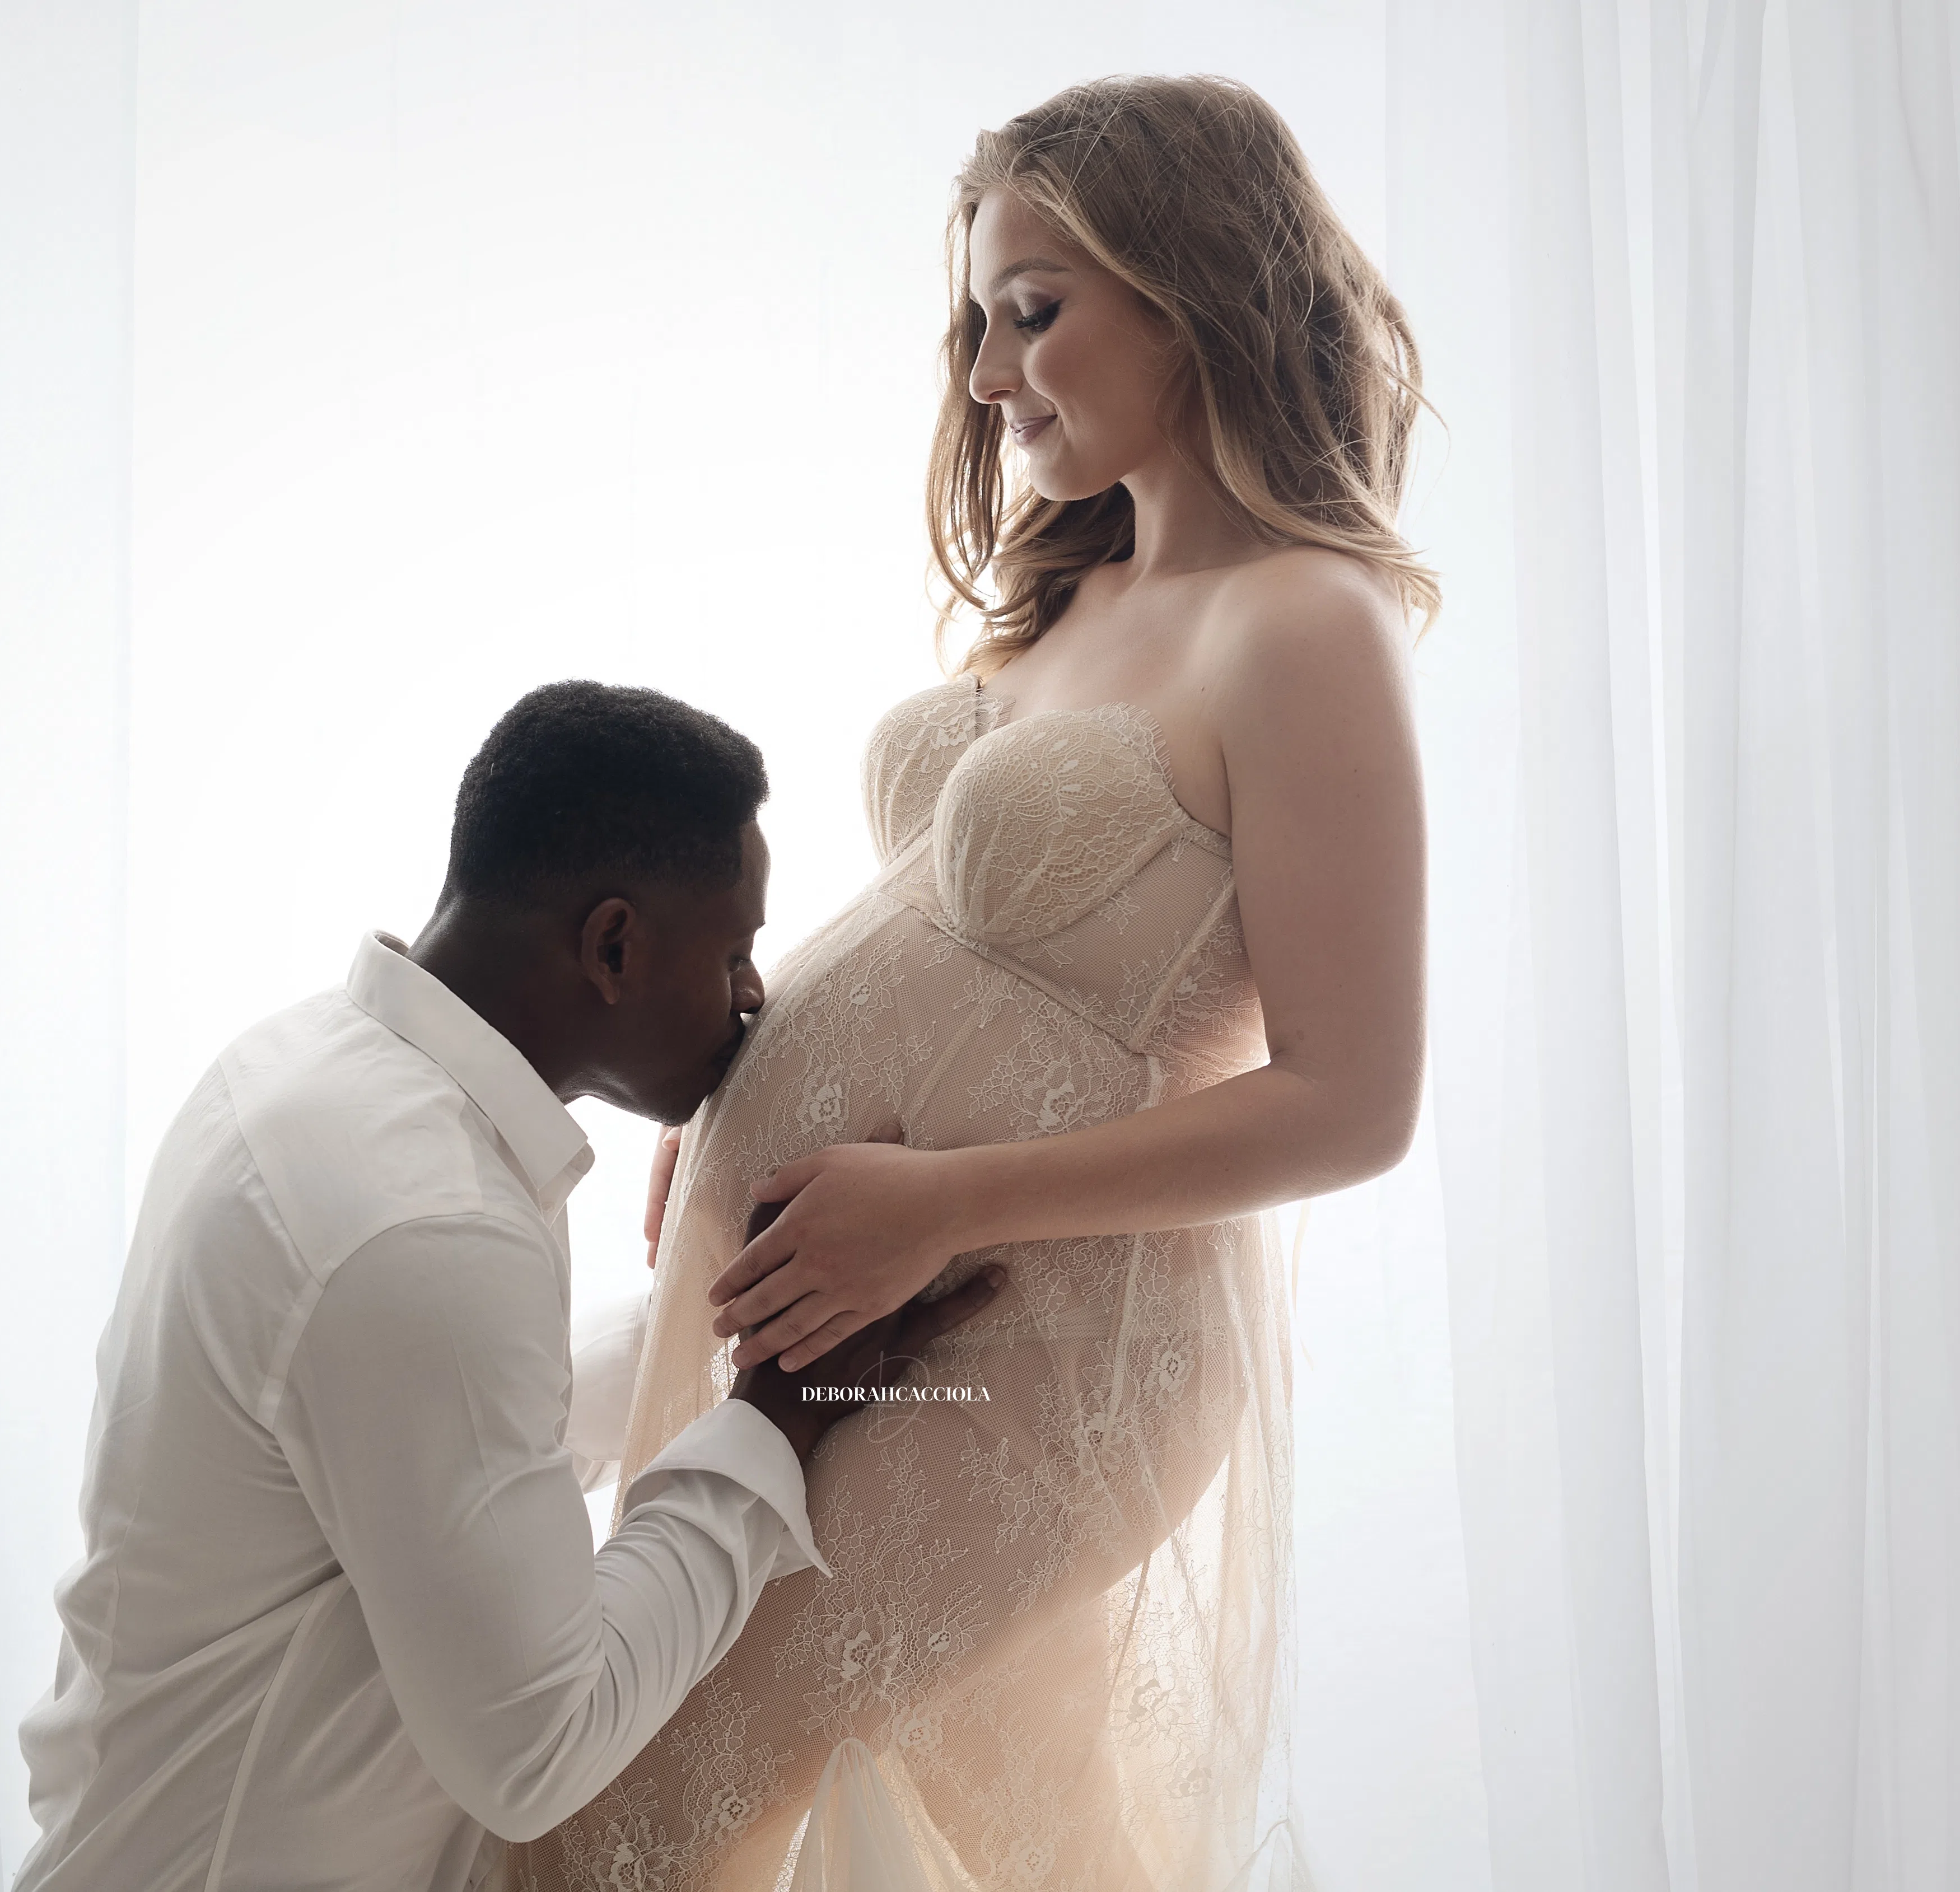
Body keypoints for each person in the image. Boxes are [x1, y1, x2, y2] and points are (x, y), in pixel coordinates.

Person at [511, 77, 1431, 1891]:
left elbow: (1355, 1097)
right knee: (987, 1822)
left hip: (1031, 1328)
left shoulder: (1299, 624)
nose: (989, 375)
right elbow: (951, 941)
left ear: (1193, 288)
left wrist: (935, 1201)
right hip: (860, 1296)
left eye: (1032, 310)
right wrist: (736, 1086)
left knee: (632, 1805)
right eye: (973, 323)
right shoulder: (1071, 590)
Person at [13, 682, 1004, 1892]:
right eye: (736, 949)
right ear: (613, 946)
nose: (754, 995)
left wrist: (732, 1308)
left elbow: (445, 1438)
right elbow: (537, 1744)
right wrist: (771, 1426)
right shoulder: (423, 1222)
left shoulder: (302, 1074)